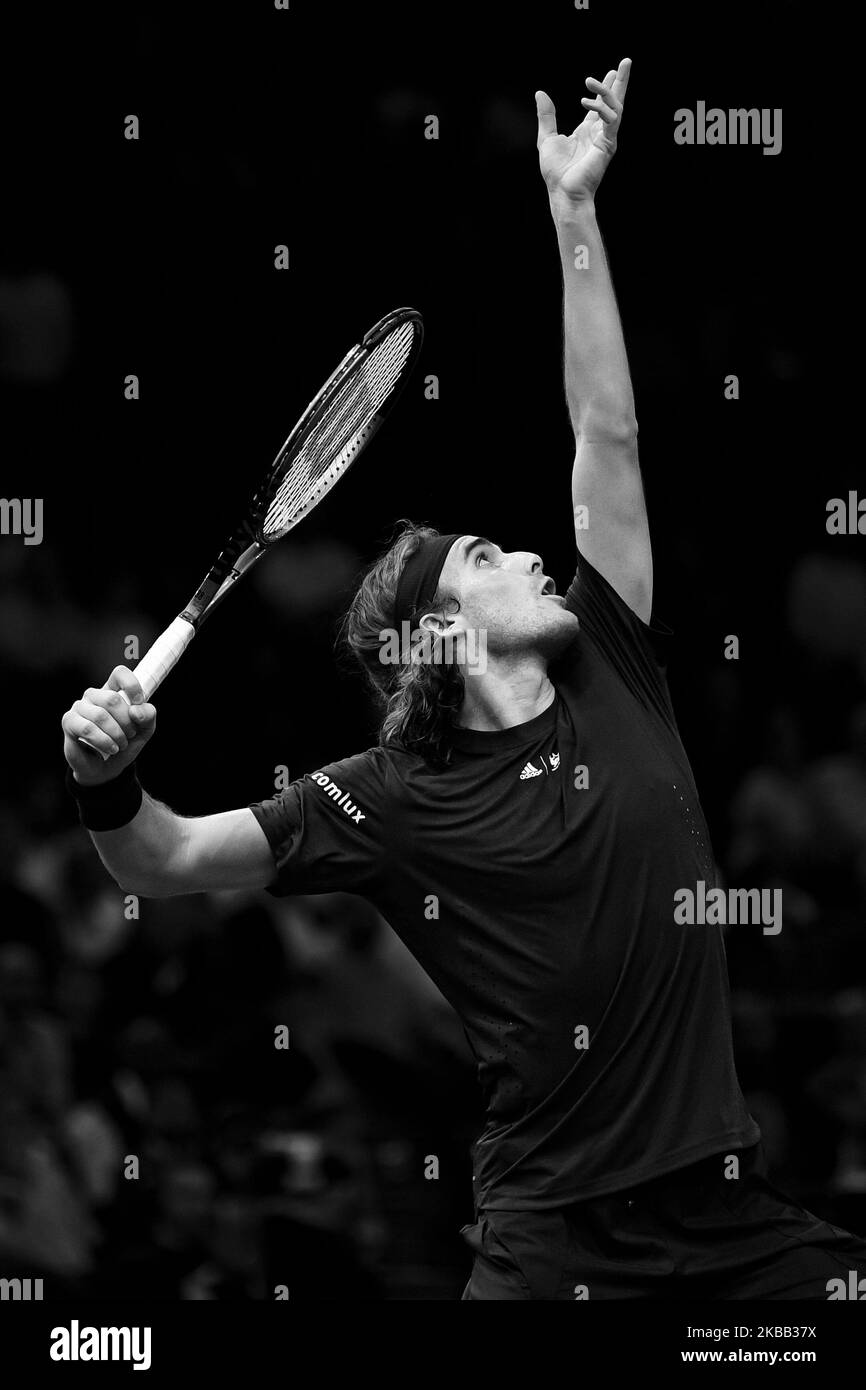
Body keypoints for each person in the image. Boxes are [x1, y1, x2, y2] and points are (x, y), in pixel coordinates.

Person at [62, 59, 866, 1299]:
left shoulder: (616, 662)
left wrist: (575, 217)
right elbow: (158, 862)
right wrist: (107, 778)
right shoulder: (382, 795)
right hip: (546, 1246)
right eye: (489, 555)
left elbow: (605, 434)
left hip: (724, 1228)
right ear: (438, 630)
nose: (535, 551)